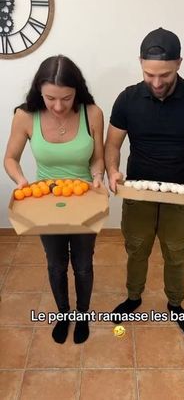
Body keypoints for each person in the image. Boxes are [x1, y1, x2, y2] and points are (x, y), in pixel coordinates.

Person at [105, 27, 184, 335]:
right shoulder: (127, 98)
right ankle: (133, 297)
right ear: (140, 63)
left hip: (181, 193)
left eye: (165, 76)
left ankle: (175, 304)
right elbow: (112, 145)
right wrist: (113, 170)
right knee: (137, 248)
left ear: (179, 63)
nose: (157, 83)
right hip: (138, 191)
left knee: (176, 250)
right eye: (149, 74)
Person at [4, 55, 105, 344]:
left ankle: (82, 315)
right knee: (56, 264)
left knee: (83, 265)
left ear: (78, 91)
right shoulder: (25, 116)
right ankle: (64, 314)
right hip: (46, 203)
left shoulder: (92, 113)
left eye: (66, 98)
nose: (58, 106)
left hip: (85, 201)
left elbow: (97, 160)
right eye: (50, 98)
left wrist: (98, 177)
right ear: (39, 91)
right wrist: (22, 181)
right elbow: (10, 158)